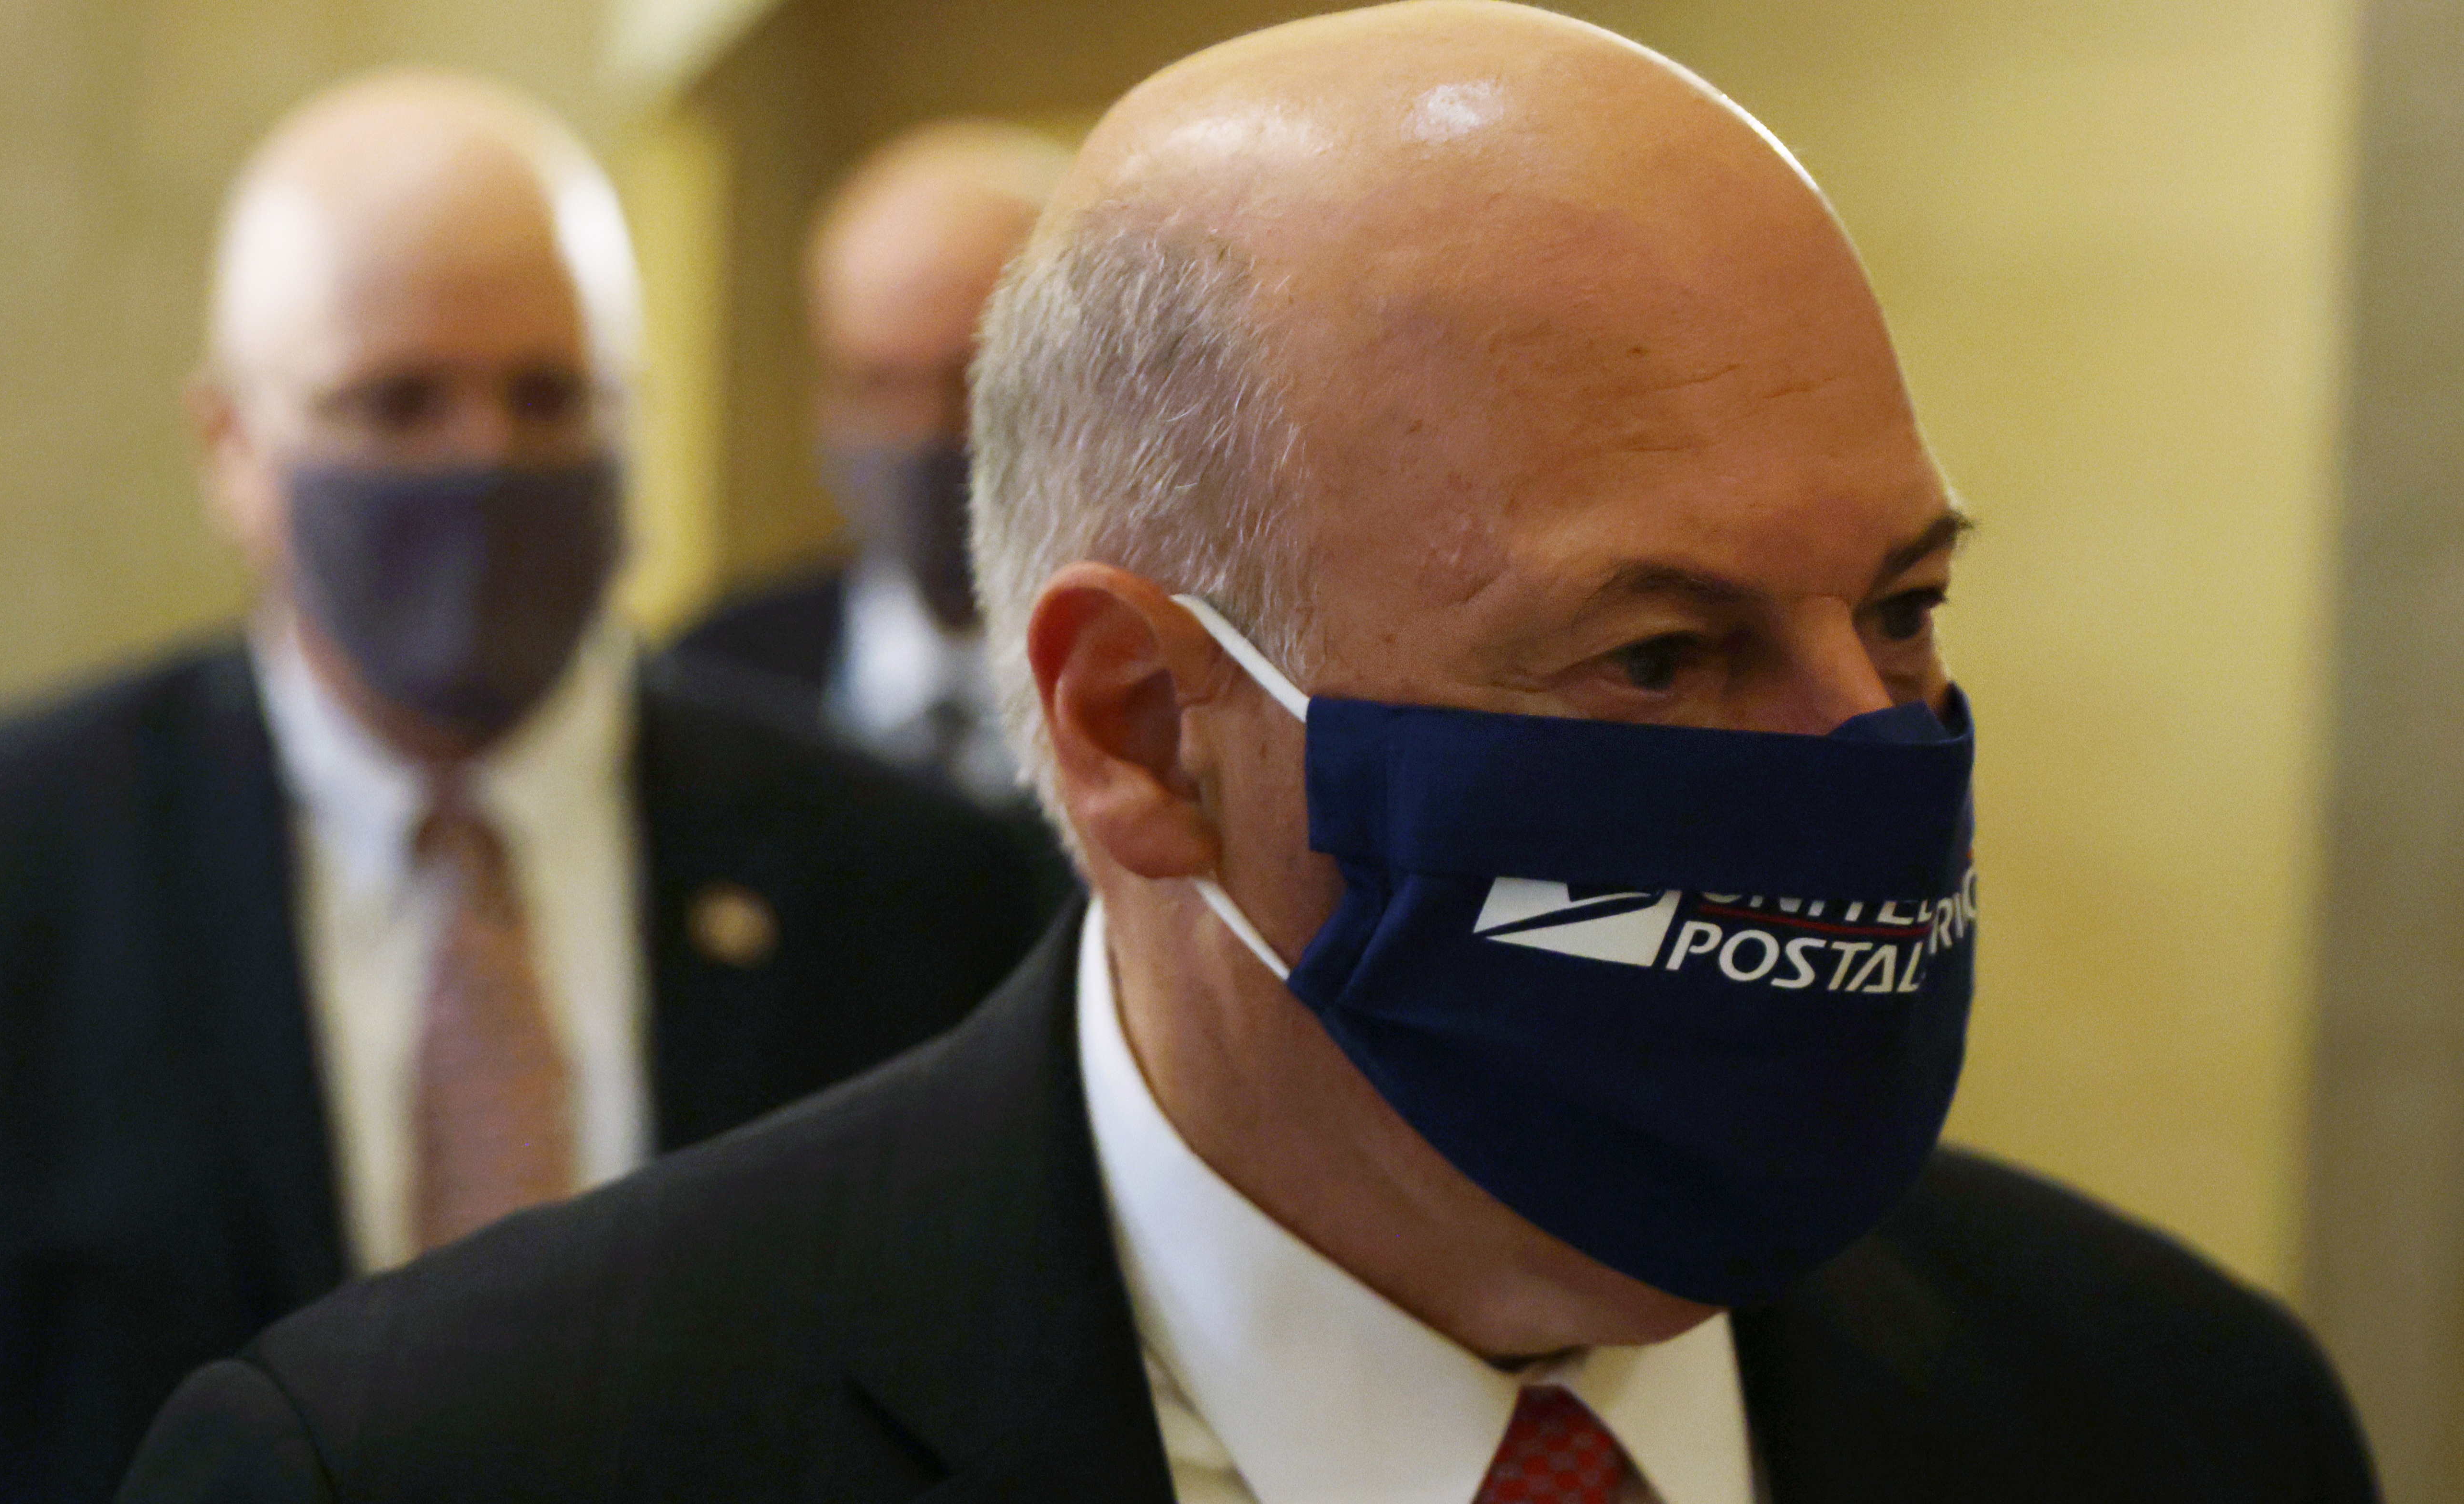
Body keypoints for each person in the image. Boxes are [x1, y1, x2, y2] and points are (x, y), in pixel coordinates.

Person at [120, 8, 2379, 1501]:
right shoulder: (454, 1468)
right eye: (1664, 663)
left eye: (1901, 610)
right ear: (1137, 735)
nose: (1860, 765)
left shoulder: (2178, 1420)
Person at [0, 70, 1059, 1504]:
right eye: (394, 402)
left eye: (548, 395)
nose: (482, 458)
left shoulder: (918, 874)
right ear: (232, 447)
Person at [671, 121, 1069, 805]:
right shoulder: (714, 682)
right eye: (873, 384)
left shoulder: (1186, 691)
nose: (920, 433)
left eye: (972, 381)